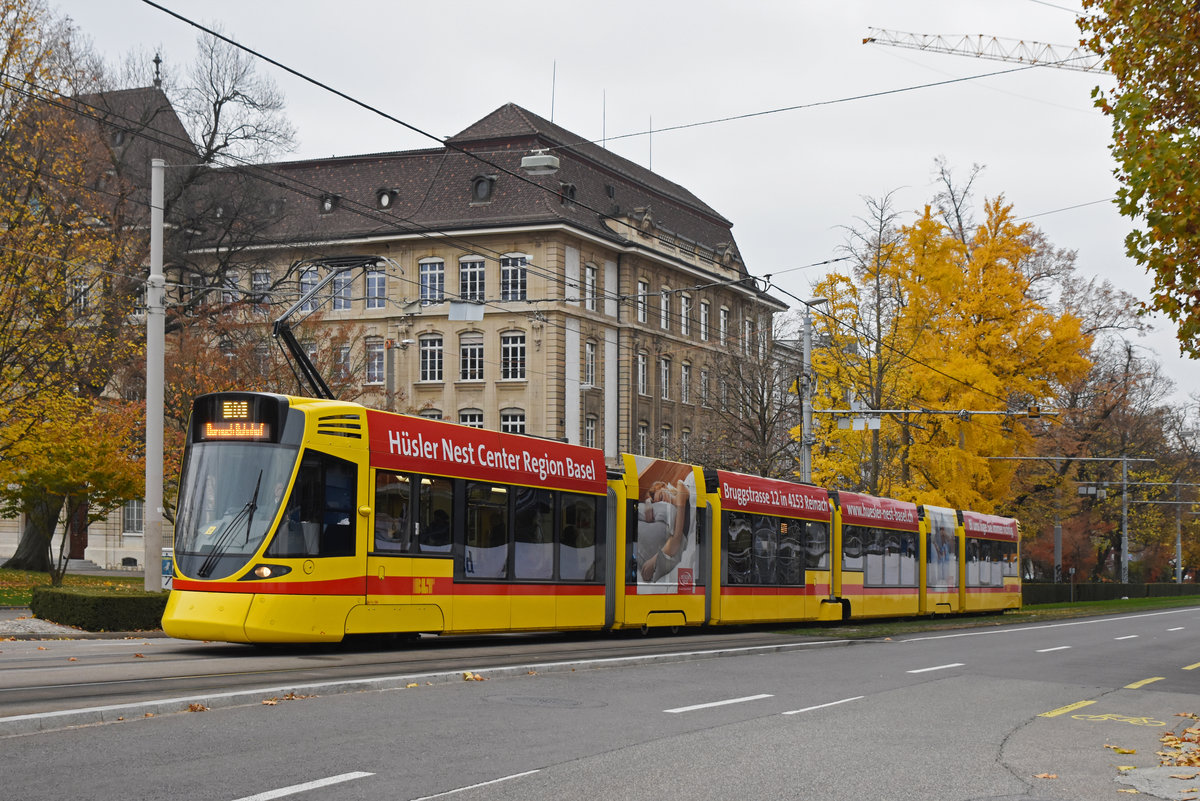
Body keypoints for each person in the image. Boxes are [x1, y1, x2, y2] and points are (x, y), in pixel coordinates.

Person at [636, 479, 691, 582]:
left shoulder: (680, 486)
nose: (664, 502)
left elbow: (676, 538)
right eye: (659, 502)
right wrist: (648, 503)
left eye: (661, 496)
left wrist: (653, 561)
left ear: (664, 487)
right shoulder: (671, 511)